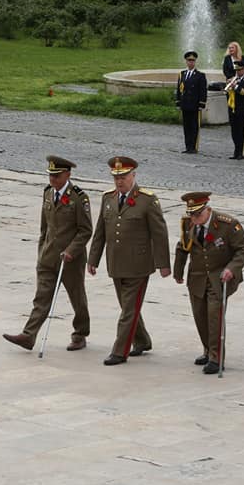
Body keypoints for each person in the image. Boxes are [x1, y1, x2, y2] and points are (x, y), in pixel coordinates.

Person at [87, 156, 171, 366]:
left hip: (138, 265)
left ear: (133, 175)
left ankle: (120, 351)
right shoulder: (108, 198)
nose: (119, 181)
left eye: (123, 177)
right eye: (116, 177)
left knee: (128, 310)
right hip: (116, 262)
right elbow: (100, 231)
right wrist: (93, 259)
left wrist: (163, 264)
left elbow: (159, 233)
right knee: (127, 306)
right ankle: (142, 340)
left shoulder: (147, 200)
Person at [3, 156, 92, 353]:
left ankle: (80, 333)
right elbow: (44, 228)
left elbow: (85, 230)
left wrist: (71, 250)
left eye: (57, 176)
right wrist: (41, 251)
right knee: (42, 297)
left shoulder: (79, 198)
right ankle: (29, 335)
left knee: (77, 298)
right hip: (48, 257)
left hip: (71, 260)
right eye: (51, 175)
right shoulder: (47, 193)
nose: (52, 179)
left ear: (67, 175)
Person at [173, 191, 244, 374]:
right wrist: (178, 271)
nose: (195, 218)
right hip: (198, 277)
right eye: (191, 214)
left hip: (219, 278)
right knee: (200, 316)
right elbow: (182, 247)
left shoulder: (227, 224)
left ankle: (217, 358)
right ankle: (208, 349)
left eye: (198, 214)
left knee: (214, 316)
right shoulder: (189, 224)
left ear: (208, 210)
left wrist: (232, 268)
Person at [175, 50, 207, 154]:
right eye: (189, 60)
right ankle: (188, 146)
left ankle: (194, 147)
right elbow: (179, 89)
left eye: (192, 60)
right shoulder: (182, 74)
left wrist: (202, 103)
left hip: (194, 104)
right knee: (186, 126)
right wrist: (178, 102)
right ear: (186, 61)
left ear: (195, 62)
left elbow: (203, 91)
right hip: (185, 104)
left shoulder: (200, 75)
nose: (191, 62)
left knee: (194, 126)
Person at [225, 60, 244, 159]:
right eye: (236, 70)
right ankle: (236, 151)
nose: (237, 72)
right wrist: (229, 85)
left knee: (242, 132)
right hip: (232, 109)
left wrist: (235, 86)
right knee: (234, 132)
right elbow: (228, 94)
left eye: (240, 70)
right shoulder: (234, 79)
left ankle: (242, 152)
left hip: (242, 109)